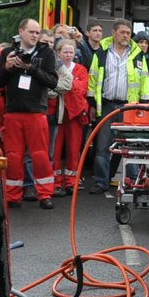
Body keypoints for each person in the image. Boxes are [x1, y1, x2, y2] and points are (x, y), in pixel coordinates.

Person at [0, 19, 59, 209]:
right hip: (13, 112)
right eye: (31, 32)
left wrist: (31, 68)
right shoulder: (7, 52)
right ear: (21, 31)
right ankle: (13, 196)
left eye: (37, 33)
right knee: (13, 156)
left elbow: (53, 81)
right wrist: (7, 68)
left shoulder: (46, 53)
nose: (35, 36)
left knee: (40, 155)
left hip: (36, 112)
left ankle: (45, 194)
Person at [86, 19, 149, 195]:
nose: (126, 36)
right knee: (102, 147)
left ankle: (130, 182)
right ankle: (101, 182)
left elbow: (145, 80)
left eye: (128, 33)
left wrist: (144, 105)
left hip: (128, 107)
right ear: (114, 33)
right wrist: (92, 103)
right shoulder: (101, 52)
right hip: (107, 105)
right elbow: (93, 79)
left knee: (127, 146)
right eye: (122, 32)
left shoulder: (138, 55)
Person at [52, 40, 90, 195]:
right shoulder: (54, 68)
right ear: (58, 53)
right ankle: (55, 182)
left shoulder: (80, 69)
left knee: (74, 151)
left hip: (74, 114)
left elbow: (81, 89)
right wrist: (70, 82)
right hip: (58, 113)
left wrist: (66, 84)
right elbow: (55, 86)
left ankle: (71, 182)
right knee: (55, 151)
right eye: (65, 52)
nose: (68, 55)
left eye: (71, 52)